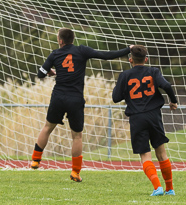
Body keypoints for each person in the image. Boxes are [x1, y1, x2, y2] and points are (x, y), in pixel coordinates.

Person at [30, 28, 132, 182]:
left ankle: (35, 160)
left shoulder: (55, 54)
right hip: (75, 99)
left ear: (60, 40)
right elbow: (106, 55)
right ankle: (75, 172)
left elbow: (40, 74)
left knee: (47, 127)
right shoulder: (82, 51)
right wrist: (127, 49)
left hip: (58, 97)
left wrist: (51, 71)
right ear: (73, 39)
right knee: (77, 136)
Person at [112, 45, 177, 196]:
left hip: (137, 117)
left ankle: (157, 187)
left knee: (145, 154)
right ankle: (170, 189)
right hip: (154, 116)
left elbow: (116, 98)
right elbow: (166, 85)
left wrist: (128, 92)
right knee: (161, 153)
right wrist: (173, 101)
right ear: (146, 59)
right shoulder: (153, 71)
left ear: (130, 60)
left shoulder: (125, 75)